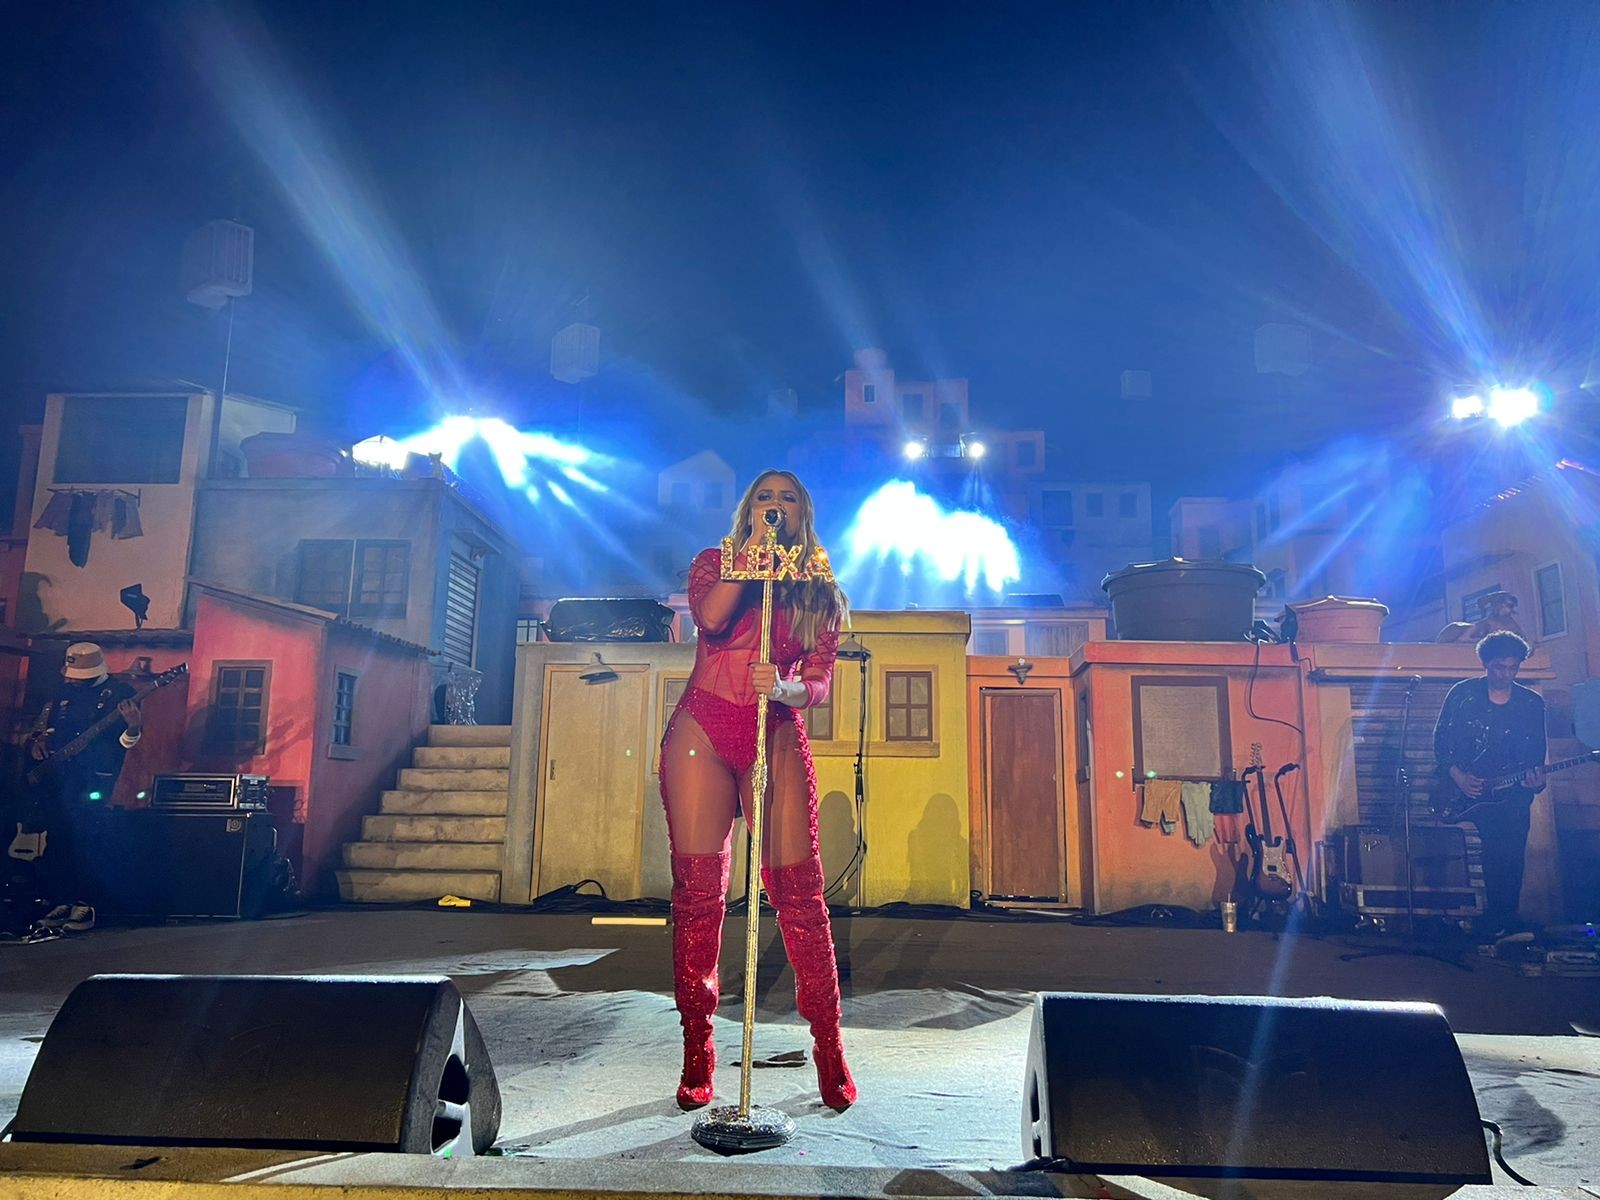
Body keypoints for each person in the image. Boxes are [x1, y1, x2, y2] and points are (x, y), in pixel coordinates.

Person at [659, 470, 856, 1112]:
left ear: (804, 512)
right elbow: (712, 619)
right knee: (698, 894)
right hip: (704, 728)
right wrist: (752, 563)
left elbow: (819, 682)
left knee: (799, 894)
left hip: (773, 726)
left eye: (788, 497)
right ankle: (698, 1050)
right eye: (763, 498)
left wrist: (792, 687)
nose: (775, 506)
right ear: (749, 511)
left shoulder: (819, 591)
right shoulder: (714, 564)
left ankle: (829, 1045)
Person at [1432, 631, 1546, 938]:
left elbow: (1536, 753)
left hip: (1512, 793)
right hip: (1467, 788)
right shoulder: (1463, 694)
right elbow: (1440, 741)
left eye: (1512, 668)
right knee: (1480, 852)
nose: (1505, 674)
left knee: (1509, 854)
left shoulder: (1531, 703)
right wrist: (1457, 775)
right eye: (1499, 667)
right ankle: (1481, 919)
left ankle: (1504, 918)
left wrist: (1536, 783)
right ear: (1486, 664)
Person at [22, 642, 143, 905]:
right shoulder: (61, 693)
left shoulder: (120, 693)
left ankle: (86, 903)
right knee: (58, 837)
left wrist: (133, 726)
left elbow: (126, 744)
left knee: (90, 840)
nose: (71, 681)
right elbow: (46, 727)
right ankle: (60, 900)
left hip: (96, 777)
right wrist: (39, 742)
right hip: (59, 779)